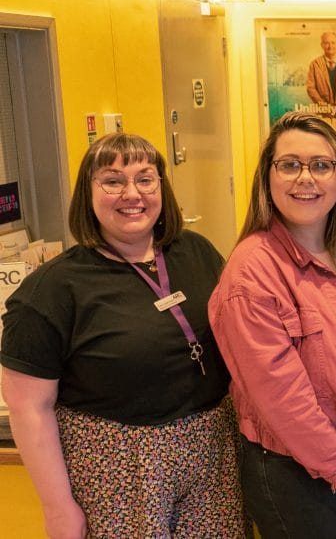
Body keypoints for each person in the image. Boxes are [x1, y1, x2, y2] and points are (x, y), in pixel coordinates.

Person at [0, 133, 246, 538]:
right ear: (88, 194)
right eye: (112, 180)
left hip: (212, 455)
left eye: (145, 179)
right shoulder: (52, 290)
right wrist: (58, 508)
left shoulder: (197, 252)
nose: (132, 193)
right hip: (120, 469)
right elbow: (28, 408)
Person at [208, 111, 336, 539]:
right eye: (289, 164)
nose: (306, 177)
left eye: (321, 165)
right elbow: (281, 397)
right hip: (300, 478)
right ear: (267, 178)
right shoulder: (252, 272)